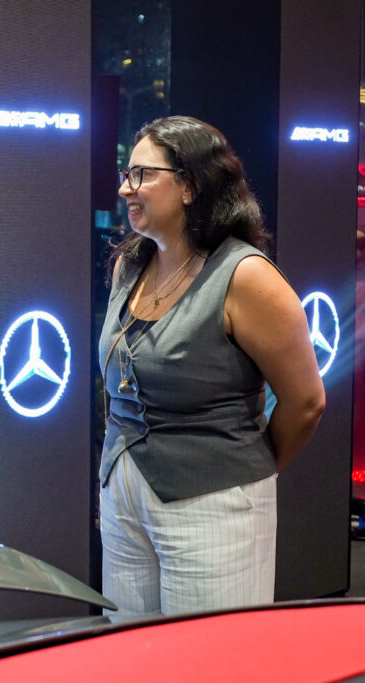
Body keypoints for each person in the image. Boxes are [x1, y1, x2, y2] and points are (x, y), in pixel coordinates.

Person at [98, 115, 325, 621]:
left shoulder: (246, 276)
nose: (125, 188)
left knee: (208, 657)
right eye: (126, 173)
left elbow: (307, 403)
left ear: (190, 187)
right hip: (123, 500)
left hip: (214, 503)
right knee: (129, 654)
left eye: (141, 175)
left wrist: (244, 471)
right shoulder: (130, 265)